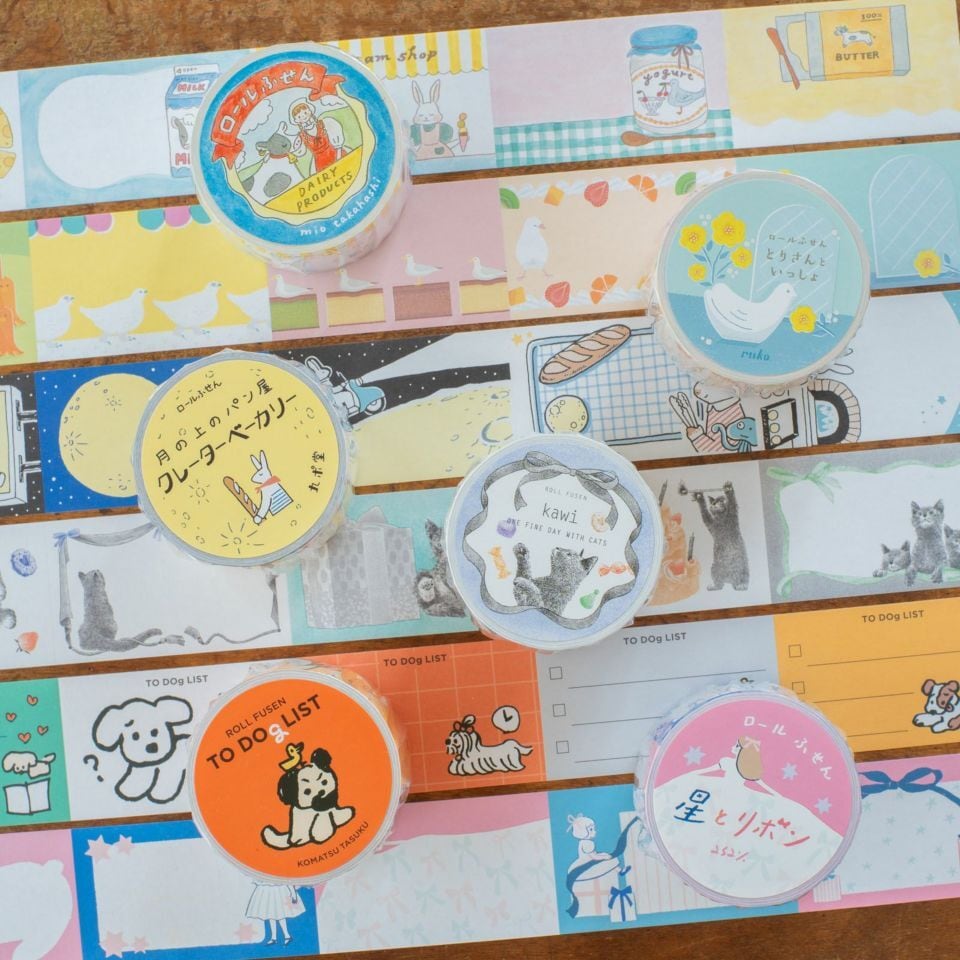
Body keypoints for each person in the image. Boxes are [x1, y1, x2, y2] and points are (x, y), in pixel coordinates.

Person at [289, 99, 344, 175]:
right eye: (299, 116)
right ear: (296, 120)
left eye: (305, 112)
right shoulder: (302, 136)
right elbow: (299, 151)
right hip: (321, 164)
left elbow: (337, 139)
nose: (304, 116)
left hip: (336, 154)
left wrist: (339, 156)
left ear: (310, 111)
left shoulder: (324, 123)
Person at [245, 882, 305, 946]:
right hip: (268, 891)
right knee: (271, 914)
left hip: (279, 891)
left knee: (280, 914)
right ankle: (274, 937)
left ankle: (287, 935)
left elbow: (287, 880)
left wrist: (293, 894)